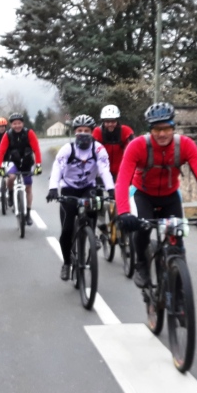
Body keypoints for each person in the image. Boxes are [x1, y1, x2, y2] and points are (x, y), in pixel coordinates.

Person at [115, 102, 197, 289]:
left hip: (170, 196)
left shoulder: (185, 145)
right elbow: (122, 180)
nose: (162, 134)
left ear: (173, 127)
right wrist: (124, 212)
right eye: (157, 129)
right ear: (150, 130)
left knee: (177, 241)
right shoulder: (137, 146)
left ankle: (178, 288)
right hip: (144, 195)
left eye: (166, 128)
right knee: (142, 230)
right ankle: (141, 264)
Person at [46, 115, 116, 280]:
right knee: (67, 230)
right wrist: (53, 188)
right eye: (79, 130)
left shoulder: (98, 149)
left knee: (94, 206)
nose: (83, 133)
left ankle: (91, 235)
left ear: (92, 132)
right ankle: (67, 263)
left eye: (86, 130)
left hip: (88, 188)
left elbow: (104, 170)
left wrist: (111, 189)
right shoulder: (67, 149)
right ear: (74, 132)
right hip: (69, 189)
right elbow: (57, 167)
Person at [0, 112, 42, 226]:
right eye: (14, 124)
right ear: (11, 125)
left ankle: (28, 213)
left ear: (23, 123)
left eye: (19, 123)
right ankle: (11, 194)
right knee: (11, 177)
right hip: (13, 162)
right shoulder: (8, 135)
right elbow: (1, 151)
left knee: (28, 188)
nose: (17, 126)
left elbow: (36, 149)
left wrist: (38, 165)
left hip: (27, 162)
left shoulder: (29, 133)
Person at [91, 104, 134, 182]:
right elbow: (92, 151)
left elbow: (132, 150)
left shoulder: (125, 131)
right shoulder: (97, 132)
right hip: (102, 171)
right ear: (103, 121)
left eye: (113, 121)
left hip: (121, 171)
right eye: (107, 121)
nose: (110, 124)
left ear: (117, 120)